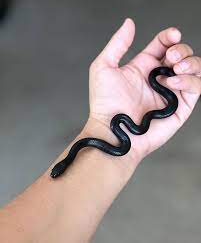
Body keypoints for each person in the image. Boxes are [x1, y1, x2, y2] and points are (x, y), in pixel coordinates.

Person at [0, 18, 201, 243]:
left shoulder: (122, 124)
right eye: (59, 170)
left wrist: (102, 126)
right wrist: (103, 126)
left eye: (59, 170)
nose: (56, 173)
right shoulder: (119, 131)